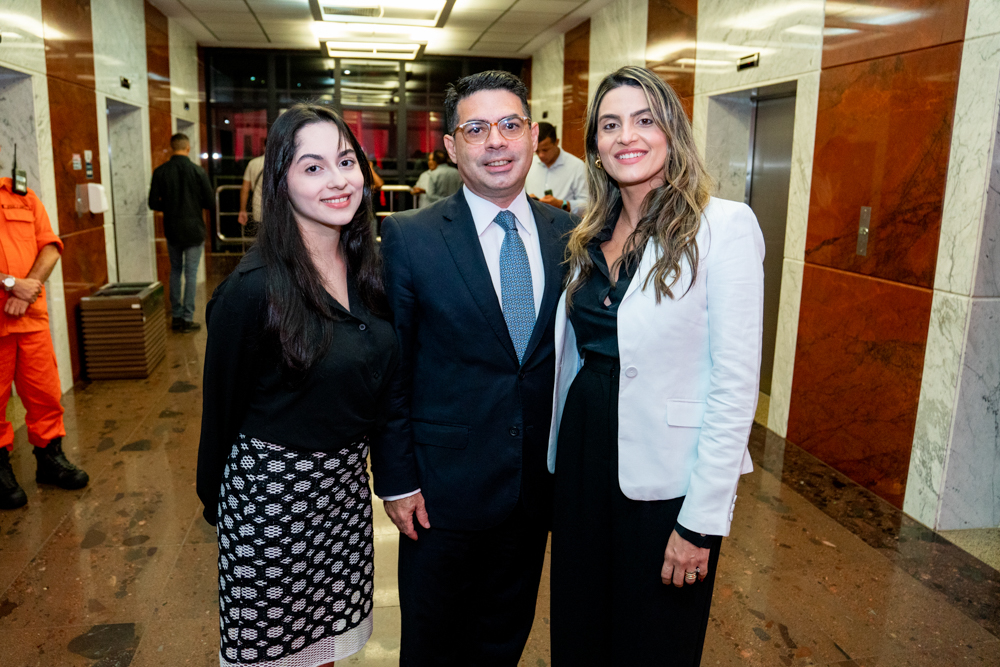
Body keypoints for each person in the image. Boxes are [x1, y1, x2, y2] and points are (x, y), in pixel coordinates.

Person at [547, 66, 764, 665]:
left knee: (654, 640)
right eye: (610, 124)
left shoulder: (724, 227)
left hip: (667, 479)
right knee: (580, 631)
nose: (627, 137)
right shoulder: (587, 235)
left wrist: (700, 523)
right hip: (582, 461)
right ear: (594, 144)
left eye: (645, 120)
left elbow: (734, 385)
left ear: (673, 131)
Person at [373, 70, 575, 665]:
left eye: (510, 125)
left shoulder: (571, 234)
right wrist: (397, 479)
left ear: (531, 135)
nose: (496, 141)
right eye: (477, 128)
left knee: (503, 639)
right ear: (451, 145)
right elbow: (393, 370)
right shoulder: (409, 238)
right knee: (435, 646)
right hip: (440, 494)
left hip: (535, 488)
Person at [197, 103, 397, 667]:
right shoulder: (251, 289)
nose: (337, 180)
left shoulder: (371, 269)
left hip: (342, 495)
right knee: (275, 656)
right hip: (271, 503)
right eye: (312, 168)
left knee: (323, 650)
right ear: (279, 180)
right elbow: (220, 411)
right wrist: (222, 508)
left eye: (345, 161)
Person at [0, 145, 88, 510]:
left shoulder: (21, 196)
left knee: (45, 393)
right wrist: (8, 284)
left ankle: (50, 459)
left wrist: (28, 286)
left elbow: (50, 247)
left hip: (29, 317)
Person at [148, 133, 214, 332]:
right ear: (188, 148)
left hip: (172, 229)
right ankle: (187, 318)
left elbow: (152, 203)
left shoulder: (160, 172)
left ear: (171, 147)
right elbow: (210, 202)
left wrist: (168, 205)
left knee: (175, 270)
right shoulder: (198, 171)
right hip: (194, 230)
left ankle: (176, 317)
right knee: (191, 273)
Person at [525, 121, 588, 217]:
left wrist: (562, 204)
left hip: (565, 226)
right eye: (537, 151)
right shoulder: (528, 164)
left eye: (545, 150)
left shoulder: (577, 166)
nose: (541, 155)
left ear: (557, 142)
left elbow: (588, 205)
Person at [237, 140, 265, 230]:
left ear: (264, 147)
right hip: (279, 213)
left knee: (261, 241)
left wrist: (242, 210)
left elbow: (245, 189)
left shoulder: (253, 163)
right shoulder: (283, 164)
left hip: (258, 212)